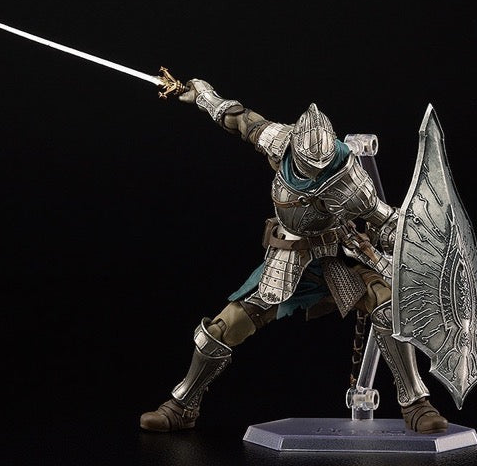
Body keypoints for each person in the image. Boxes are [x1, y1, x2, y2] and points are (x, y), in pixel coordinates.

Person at [139, 79, 448, 434]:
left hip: (339, 259)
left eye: (321, 166)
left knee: (388, 305)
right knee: (222, 327)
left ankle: (416, 403)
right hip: (288, 260)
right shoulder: (278, 140)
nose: (316, 172)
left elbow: (385, 219)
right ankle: (182, 406)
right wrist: (202, 95)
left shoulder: (350, 181)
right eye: (308, 165)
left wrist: (420, 245)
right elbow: (238, 118)